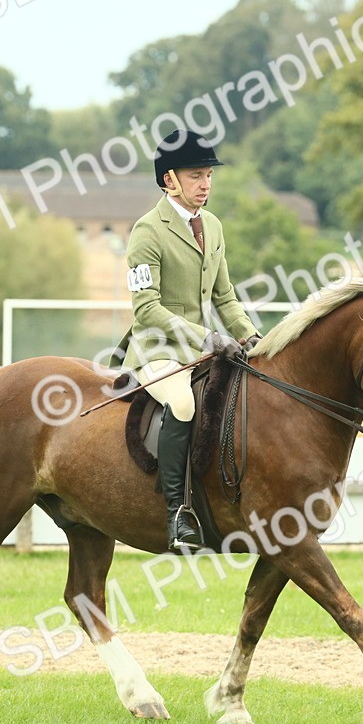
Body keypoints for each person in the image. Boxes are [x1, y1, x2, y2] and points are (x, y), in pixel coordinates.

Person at [110, 130, 261, 551]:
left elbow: (225, 297)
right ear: (169, 180)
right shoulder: (146, 232)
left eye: (209, 175)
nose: (206, 184)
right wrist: (208, 337)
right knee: (183, 403)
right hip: (159, 352)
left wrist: (250, 335)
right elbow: (147, 310)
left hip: (203, 351)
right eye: (196, 175)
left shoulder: (211, 226)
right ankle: (178, 512)